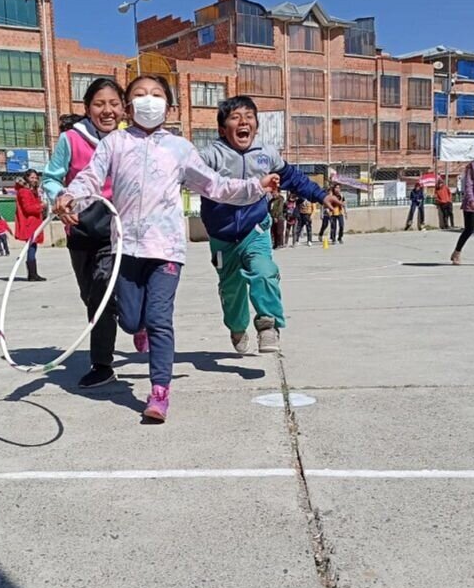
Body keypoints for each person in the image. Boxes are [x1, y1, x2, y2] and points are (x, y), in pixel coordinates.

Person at [55, 75, 278, 422]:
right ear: (129, 106)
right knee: (131, 320)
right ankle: (139, 329)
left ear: (169, 107)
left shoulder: (180, 148)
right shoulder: (114, 143)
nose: (148, 100)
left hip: (166, 250)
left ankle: (159, 391)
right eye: (140, 94)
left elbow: (215, 185)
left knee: (160, 318)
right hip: (126, 249)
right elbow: (90, 178)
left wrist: (255, 186)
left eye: (156, 95)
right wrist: (69, 196)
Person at [197, 95, 339, 354]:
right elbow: (185, 174)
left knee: (264, 272)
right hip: (222, 237)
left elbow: (294, 178)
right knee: (231, 290)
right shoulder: (211, 156)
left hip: (255, 230)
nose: (243, 122)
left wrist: (321, 195)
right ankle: (237, 326)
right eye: (235, 117)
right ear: (222, 129)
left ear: (256, 126)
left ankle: (268, 324)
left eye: (249, 117)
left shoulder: (267, 154)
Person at [43, 77, 126, 388]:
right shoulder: (71, 139)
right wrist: (60, 199)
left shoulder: (130, 140)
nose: (107, 110)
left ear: (124, 108)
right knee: (90, 295)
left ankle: (102, 364)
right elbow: (51, 178)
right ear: (87, 108)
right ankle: (123, 317)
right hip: (81, 228)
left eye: (114, 104)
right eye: (99, 104)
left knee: (103, 290)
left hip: (118, 229)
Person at [14, 168, 47, 282]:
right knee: (31, 248)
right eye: (32, 177)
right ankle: (32, 274)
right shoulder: (24, 191)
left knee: (33, 247)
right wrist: (41, 206)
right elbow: (28, 208)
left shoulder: (32, 191)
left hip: (34, 223)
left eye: (36, 178)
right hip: (30, 224)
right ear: (26, 178)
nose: (34, 180)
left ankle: (33, 273)